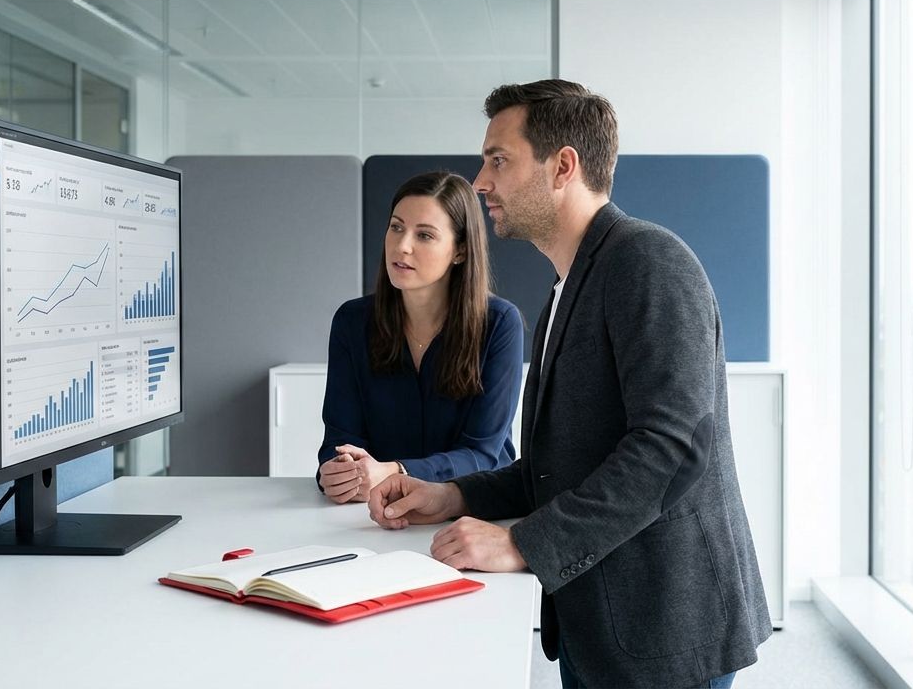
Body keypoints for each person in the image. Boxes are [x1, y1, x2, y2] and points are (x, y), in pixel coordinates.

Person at [367, 81, 771, 688]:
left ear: (562, 166)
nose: (480, 182)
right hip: (600, 618)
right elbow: (561, 466)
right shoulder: (568, 284)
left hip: (662, 629)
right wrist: (455, 495)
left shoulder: (649, 262)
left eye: (498, 160)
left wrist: (524, 543)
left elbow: (672, 449)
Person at [316, 171, 521, 503]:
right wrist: (338, 472)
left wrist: (397, 471)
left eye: (424, 235)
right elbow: (339, 440)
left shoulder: (499, 323)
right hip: (375, 511)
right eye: (396, 227)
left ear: (461, 251)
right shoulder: (352, 322)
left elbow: (482, 454)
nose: (402, 245)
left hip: (472, 509)